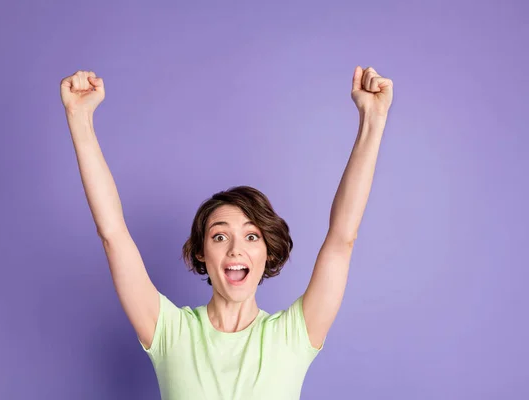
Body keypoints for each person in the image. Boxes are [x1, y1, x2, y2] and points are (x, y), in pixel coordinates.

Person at [59, 66, 393, 399]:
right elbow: (113, 235)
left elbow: (342, 239)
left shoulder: (293, 336)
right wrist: (79, 118)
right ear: (202, 252)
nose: (236, 249)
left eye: (252, 236)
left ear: (268, 252)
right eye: (220, 236)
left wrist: (372, 120)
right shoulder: (170, 333)